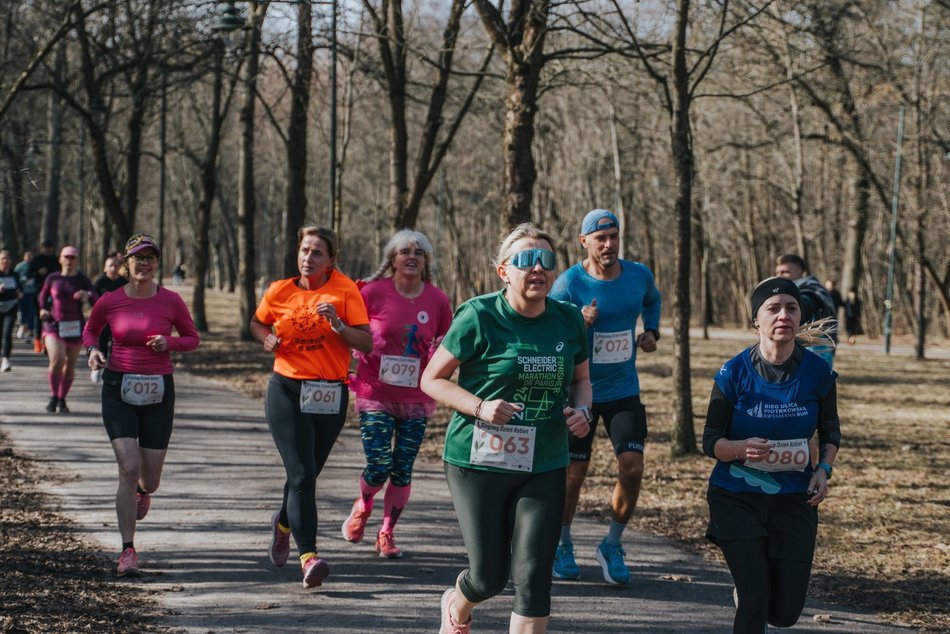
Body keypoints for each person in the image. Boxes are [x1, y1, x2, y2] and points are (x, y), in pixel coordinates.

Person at [421, 223, 592, 634]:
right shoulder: (479, 314)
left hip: (545, 461)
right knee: (489, 578)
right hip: (478, 461)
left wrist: (582, 411)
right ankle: (457, 604)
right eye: (526, 260)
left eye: (547, 260)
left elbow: (581, 381)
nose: (538, 269)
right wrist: (480, 406)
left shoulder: (569, 319)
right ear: (503, 271)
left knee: (534, 575)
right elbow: (431, 379)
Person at [702, 276, 840, 634]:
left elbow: (831, 431)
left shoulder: (818, 372)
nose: (783, 315)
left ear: (800, 316)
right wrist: (738, 449)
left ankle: (754, 592)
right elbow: (710, 440)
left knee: (783, 614)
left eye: (791, 308)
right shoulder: (733, 373)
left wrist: (823, 469)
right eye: (773, 308)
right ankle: (750, 589)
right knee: (755, 598)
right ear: (756, 321)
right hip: (736, 497)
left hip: (795, 499)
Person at [250, 225, 372, 589]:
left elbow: (365, 341)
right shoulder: (279, 290)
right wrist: (266, 338)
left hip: (329, 394)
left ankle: (283, 523)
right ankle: (309, 557)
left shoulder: (345, 290)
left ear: (331, 260)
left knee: (307, 474)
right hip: (286, 389)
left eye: (317, 252)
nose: (308, 258)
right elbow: (257, 323)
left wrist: (337, 325)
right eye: (304, 250)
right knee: (302, 475)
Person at [547, 209, 661, 586]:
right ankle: (562, 544)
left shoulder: (638, 275)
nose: (609, 244)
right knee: (572, 475)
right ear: (584, 242)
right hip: (579, 392)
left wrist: (652, 333)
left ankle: (612, 545)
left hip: (623, 389)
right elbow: (549, 331)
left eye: (614, 236)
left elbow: (652, 300)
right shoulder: (568, 285)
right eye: (601, 238)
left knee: (632, 467)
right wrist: (576, 323)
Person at [83, 233, 200, 577]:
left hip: (158, 393)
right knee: (127, 467)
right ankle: (127, 551)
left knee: (149, 480)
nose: (144, 263)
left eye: (150, 257)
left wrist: (170, 343)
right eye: (138, 257)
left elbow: (192, 339)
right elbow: (91, 331)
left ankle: (142, 492)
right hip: (118, 388)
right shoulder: (110, 300)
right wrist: (93, 351)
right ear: (126, 263)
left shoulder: (172, 302)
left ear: (156, 263)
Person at [342, 229, 452, 558]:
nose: (412, 257)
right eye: (405, 251)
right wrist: (348, 366)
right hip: (375, 390)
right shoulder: (372, 293)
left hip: (417, 398)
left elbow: (448, 340)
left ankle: (386, 531)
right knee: (379, 464)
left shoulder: (437, 299)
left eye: (419, 253)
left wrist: (441, 364)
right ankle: (363, 505)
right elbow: (352, 333)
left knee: (403, 468)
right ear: (393, 259)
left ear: (425, 262)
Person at [38, 245, 96, 413]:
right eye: (66, 257)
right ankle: (53, 396)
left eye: (73, 258)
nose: (69, 260)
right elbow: (43, 297)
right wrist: (43, 309)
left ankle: (62, 398)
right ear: (60, 259)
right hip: (54, 324)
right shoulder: (52, 278)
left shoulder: (82, 279)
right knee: (58, 359)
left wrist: (88, 295)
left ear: (77, 261)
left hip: (75, 326)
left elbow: (96, 299)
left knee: (70, 366)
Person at [774, 254, 837, 367]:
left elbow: (805, 308)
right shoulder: (792, 292)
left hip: (814, 357)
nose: (780, 276)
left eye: (785, 272)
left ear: (801, 273)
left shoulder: (809, 292)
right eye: (778, 272)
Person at [90, 252, 128, 384]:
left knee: (117, 343)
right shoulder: (100, 281)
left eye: (115, 266)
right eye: (110, 266)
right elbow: (92, 297)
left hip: (119, 319)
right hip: (102, 318)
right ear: (105, 268)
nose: (113, 268)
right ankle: (97, 367)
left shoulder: (124, 282)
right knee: (102, 342)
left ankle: (116, 369)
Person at [29, 240, 59, 353]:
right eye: (46, 247)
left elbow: (61, 272)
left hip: (54, 292)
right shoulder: (37, 260)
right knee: (38, 317)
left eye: (50, 247)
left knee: (51, 318)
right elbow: (28, 274)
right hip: (39, 291)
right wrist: (38, 272)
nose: (48, 249)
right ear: (42, 248)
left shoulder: (56, 260)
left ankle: (48, 343)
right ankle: (37, 341)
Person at [0, 250, 24, 372]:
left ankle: (5, 359)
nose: (5, 261)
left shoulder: (15, 274)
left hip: (11, 306)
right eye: (3, 258)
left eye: (7, 258)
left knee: (7, 333)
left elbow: (20, 288)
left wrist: (19, 293)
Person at [14, 250, 35, 341]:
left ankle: (30, 331)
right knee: (22, 312)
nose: (29, 258)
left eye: (30, 256)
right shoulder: (19, 266)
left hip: (33, 293)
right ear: (24, 257)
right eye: (27, 256)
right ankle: (22, 327)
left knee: (31, 312)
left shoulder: (35, 266)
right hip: (23, 293)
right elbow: (14, 277)